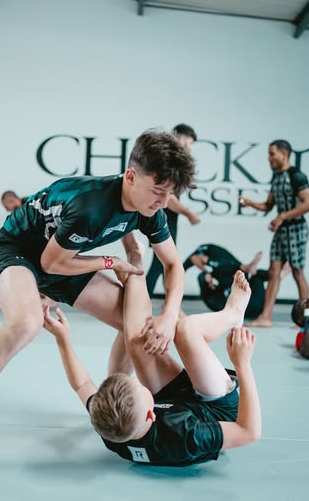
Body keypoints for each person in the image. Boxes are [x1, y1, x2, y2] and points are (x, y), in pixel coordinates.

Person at [0, 130, 195, 486]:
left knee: (135, 325)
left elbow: (172, 265)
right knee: (26, 324)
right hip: (19, 250)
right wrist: (110, 262)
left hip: (66, 258)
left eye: (170, 194)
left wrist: (169, 315)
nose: (163, 202)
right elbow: (50, 263)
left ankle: (112, 405)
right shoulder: (90, 205)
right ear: (131, 176)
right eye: (158, 191)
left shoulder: (149, 208)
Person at [44, 240, 261, 467]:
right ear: (150, 414)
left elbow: (81, 384)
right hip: (216, 411)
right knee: (185, 330)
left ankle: (135, 265)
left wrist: (62, 338)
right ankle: (232, 313)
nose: (138, 380)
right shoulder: (186, 436)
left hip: (176, 403)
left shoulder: (111, 426)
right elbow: (248, 432)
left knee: (138, 343)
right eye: (140, 387)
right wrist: (243, 364)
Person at [240, 139, 309, 327]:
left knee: (298, 272)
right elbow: (268, 205)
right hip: (282, 231)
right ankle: (266, 317)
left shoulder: (297, 176)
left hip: (296, 229)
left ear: (284, 154)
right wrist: (250, 203)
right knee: (274, 272)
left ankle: (306, 319)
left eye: (272, 153)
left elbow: (308, 204)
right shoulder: (277, 176)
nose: (269, 158)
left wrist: (282, 217)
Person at [146, 123, 200, 298]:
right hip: (162, 219)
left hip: (167, 220)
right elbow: (168, 198)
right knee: (162, 264)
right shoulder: (166, 160)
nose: (190, 148)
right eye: (190, 143)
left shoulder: (173, 161)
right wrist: (188, 213)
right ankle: (140, 301)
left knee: (164, 264)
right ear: (180, 136)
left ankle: (170, 303)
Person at [183, 243, 290, 319]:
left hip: (242, 307)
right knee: (255, 276)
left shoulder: (222, 266)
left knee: (251, 275)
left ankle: (272, 274)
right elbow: (193, 259)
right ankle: (277, 275)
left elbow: (194, 259)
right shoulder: (221, 269)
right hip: (252, 307)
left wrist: (206, 273)